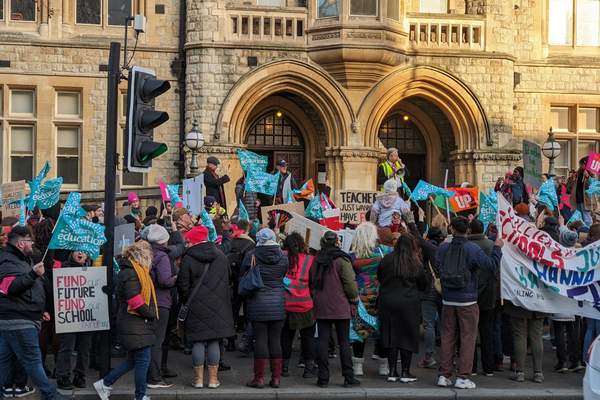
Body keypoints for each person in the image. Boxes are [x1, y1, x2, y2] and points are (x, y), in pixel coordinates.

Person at [435, 217, 502, 390]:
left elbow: (437, 266)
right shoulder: (472, 249)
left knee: (447, 336)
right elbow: (491, 266)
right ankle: (463, 376)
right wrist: (497, 248)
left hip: (448, 299)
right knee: (468, 337)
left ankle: (444, 374)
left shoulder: (442, 249)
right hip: (468, 299)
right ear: (468, 231)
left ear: (451, 229)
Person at [0, 226, 63, 400]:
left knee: (4, 363)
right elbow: (11, 287)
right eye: (30, 241)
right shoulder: (8, 260)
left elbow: (28, 291)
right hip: (18, 321)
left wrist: (39, 310)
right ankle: (51, 396)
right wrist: (33, 274)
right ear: (21, 243)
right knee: (33, 361)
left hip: (20, 318)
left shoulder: (21, 259)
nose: (32, 244)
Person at [94, 241, 158, 400]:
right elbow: (134, 298)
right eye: (148, 255)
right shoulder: (131, 272)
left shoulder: (131, 270)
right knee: (142, 360)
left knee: (134, 360)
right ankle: (140, 395)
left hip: (133, 323)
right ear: (141, 256)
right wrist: (150, 313)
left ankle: (105, 383)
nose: (151, 259)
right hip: (134, 322)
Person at [178, 225, 234, 389]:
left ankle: (198, 380)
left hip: (195, 305)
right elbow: (229, 278)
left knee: (197, 341)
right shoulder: (221, 256)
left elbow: (183, 284)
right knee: (214, 341)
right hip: (218, 305)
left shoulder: (188, 258)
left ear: (193, 240)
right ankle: (213, 380)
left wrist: (186, 299)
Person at [311, 231, 360, 388]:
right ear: (337, 242)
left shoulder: (317, 259)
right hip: (340, 305)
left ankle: (323, 378)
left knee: (322, 341)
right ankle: (348, 376)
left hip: (321, 304)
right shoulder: (342, 259)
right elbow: (350, 283)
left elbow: (311, 281)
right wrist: (353, 299)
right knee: (344, 342)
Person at [378, 234, 429, 382]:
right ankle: (405, 372)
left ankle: (392, 371)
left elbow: (380, 277)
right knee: (407, 336)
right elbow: (423, 284)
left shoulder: (387, 259)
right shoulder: (415, 262)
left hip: (387, 301)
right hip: (409, 303)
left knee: (391, 335)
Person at [242, 228, 288, 389]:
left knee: (260, 339)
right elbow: (283, 275)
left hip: (257, 302)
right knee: (275, 340)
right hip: (277, 303)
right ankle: (276, 379)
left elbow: (244, 273)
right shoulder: (283, 257)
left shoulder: (251, 255)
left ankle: (259, 378)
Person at [349, 222, 392, 377]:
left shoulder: (352, 256)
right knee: (382, 330)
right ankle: (383, 366)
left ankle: (358, 367)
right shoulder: (386, 251)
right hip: (382, 295)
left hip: (360, 297)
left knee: (360, 330)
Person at [142, 225, 178, 389]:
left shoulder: (146, 253)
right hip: (161, 302)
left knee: (150, 340)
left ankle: (148, 373)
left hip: (147, 300)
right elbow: (165, 281)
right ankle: (154, 378)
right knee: (158, 341)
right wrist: (176, 277)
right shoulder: (162, 256)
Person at [55, 251, 94, 390]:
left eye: (83, 251)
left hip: (86, 315)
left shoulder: (92, 270)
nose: (80, 253)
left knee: (85, 348)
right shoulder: (62, 269)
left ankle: (80, 376)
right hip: (69, 315)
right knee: (67, 346)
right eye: (77, 250)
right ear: (71, 253)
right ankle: (63, 376)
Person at [281, 232, 316, 379]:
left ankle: (284, 368)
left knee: (286, 338)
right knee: (307, 338)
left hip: (286, 305)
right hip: (306, 305)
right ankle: (308, 369)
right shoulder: (310, 260)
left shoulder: (282, 257)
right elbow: (314, 283)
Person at [468, 219, 498, 377]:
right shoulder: (491, 246)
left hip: (470, 294)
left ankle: (471, 367)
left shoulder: (467, 246)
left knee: (470, 332)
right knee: (487, 332)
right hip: (488, 294)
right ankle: (489, 367)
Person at [418, 227, 444, 369]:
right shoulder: (446, 249)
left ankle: (429, 356)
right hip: (444, 290)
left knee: (429, 324)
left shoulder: (429, 249)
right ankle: (447, 357)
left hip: (429, 289)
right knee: (445, 325)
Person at [570, 157, 593, 226]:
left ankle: (587, 231)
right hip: (577, 198)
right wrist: (572, 178)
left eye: (581, 164)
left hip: (585, 199)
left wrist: (588, 177)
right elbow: (570, 187)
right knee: (578, 217)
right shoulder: (578, 173)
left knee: (586, 217)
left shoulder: (590, 174)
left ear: (585, 164)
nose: (580, 166)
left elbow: (592, 185)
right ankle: (581, 231)